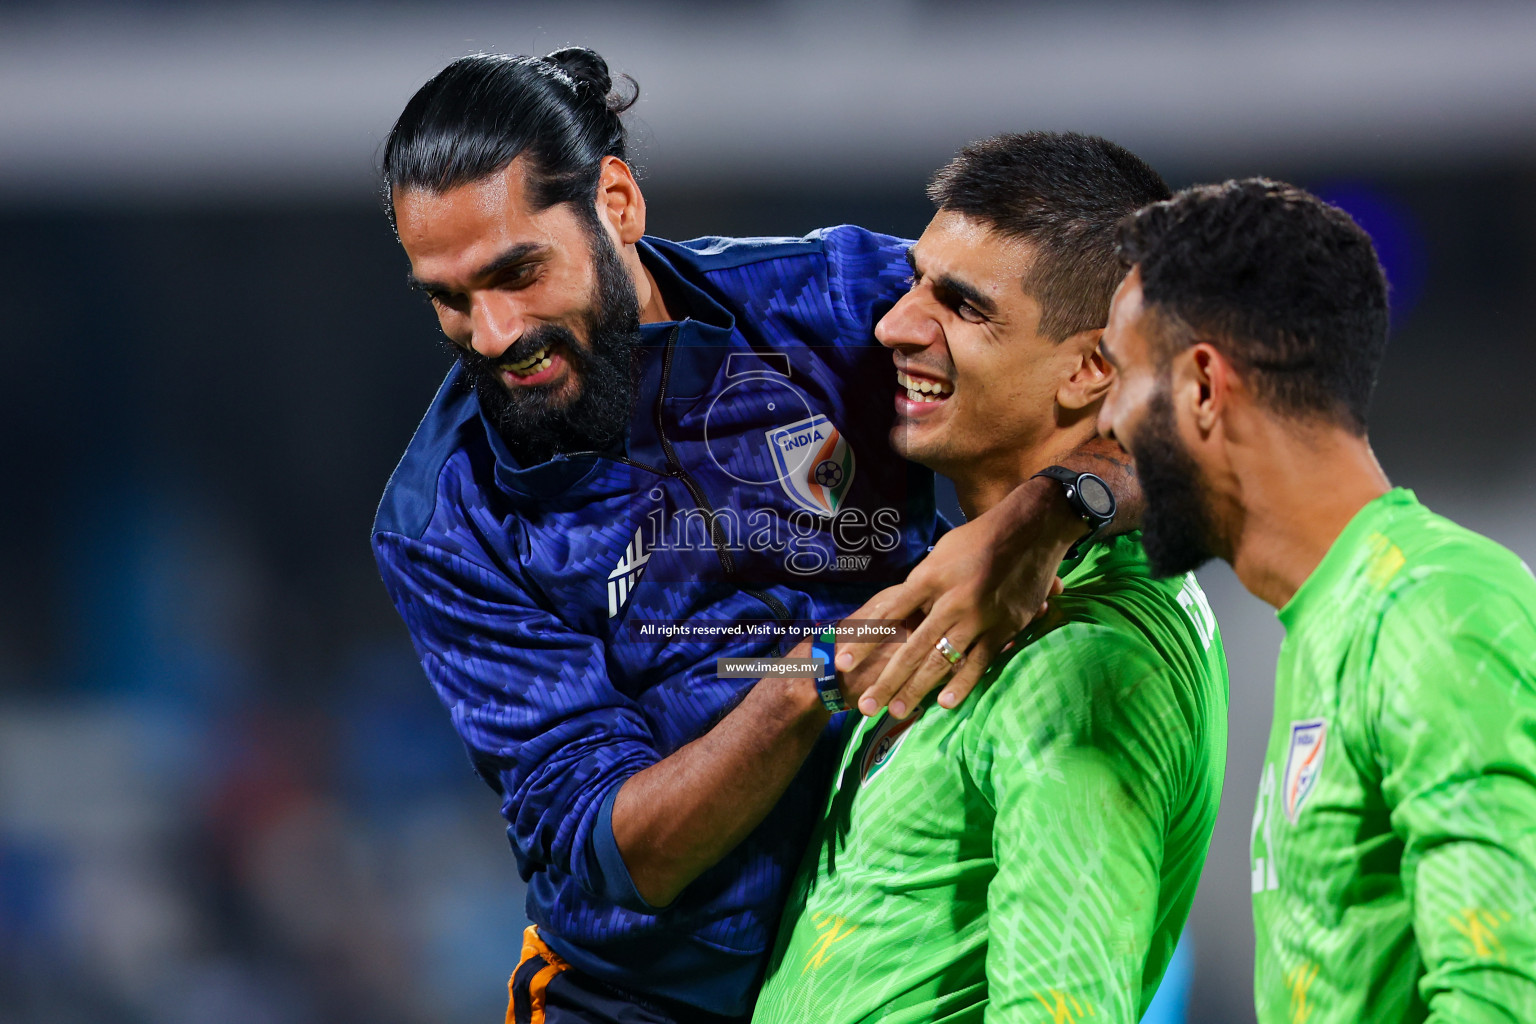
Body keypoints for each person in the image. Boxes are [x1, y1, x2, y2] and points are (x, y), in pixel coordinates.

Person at [371, 50, 1135, 1022]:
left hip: (888, 926)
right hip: (644, 1001)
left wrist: (1049, 511)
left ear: (616, 203)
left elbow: (1155, 383)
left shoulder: (838, 302)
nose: (490, 332)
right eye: (447, 296)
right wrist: (821, 670)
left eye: (517, 273)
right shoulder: (446, 520)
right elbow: (622, 854)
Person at [753, 133, 1230, 1024]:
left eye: (964, 307)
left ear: (1094, 367)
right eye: (916, 280)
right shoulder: (975, 583)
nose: (895, 325)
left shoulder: (1086, 662)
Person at [1098, 178, 1536, 1023]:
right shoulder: (1327, 621)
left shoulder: (1431, 612)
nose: (1108, 422)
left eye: (1120, 378)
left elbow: (1504, 995)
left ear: (1201, 387)